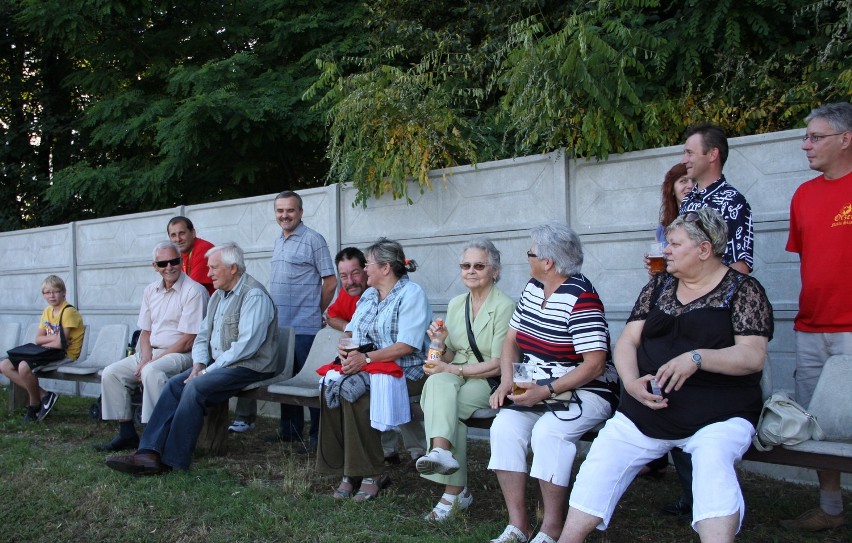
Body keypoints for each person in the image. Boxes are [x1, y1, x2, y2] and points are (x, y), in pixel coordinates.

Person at [558, 208, 774, 543]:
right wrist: (630, 382)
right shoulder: (659, 286)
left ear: (704, 250)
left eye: (673, 243)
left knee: (713, 462)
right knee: (602, 459)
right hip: (646, 410)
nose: (665, 250)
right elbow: (628, 341)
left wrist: (697, 358)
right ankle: (567, 539)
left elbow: (752, 356)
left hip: (718, 414)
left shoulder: (743, 290)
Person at [487, 223, 619, 543]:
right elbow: (511, 339)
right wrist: (506, 380)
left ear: (548, 262)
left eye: (531, 252)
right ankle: (518, 526)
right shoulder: (534, 287)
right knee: (503, 428)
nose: (527, 258)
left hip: (587, 388)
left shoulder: (581, 298)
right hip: (538, 384)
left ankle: (552, 527)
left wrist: (545, 391)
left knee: (549, 433)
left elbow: (595, 364)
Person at [105, 242, 279, 475]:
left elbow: (246, 347)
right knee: (175, 385)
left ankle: (173, 460)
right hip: (221, 364)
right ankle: (148, 452)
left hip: (251, 365)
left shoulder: (254, 295)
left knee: (194, 387)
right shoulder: (219, 295)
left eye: (214, 268)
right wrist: (198, 363)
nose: (208, 274)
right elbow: (202, 336)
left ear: (233, 268)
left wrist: (206, 371)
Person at [780, 102, 852, 532]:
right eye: (805, 137)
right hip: (811, 326)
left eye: (815, 137)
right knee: (817, 425)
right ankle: (830, 509)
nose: (806, 145)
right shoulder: (804, 195)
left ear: (846, 139)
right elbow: (814, 260)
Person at [316, 238, 431, 502]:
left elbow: (406, 345)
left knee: (357, 394)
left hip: (407, 372)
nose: (365, 269)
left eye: (368, 265)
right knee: (333, 387)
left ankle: (372, 472)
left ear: (386, 268)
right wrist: (345, 347)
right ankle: (346, 469)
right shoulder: (368, 295)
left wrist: (365, 359)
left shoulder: (410, 294)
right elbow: (351, 330)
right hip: (371, 368)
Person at [416, 239, 515, 520]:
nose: (471, 271)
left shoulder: (505, 306)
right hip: (456, 371)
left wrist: (451, 370)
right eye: (465, 265)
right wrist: (437, 342)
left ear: (494, 271)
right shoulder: (456, 303)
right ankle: (441, 455)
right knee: (435, 382)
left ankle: (454, 490)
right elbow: (445, 356)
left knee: (449, 410)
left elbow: (497, 364)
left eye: (479, 266)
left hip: (487, 380)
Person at [229, 191, 335, 441]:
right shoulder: (279, 241)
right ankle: (290, 432)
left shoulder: (313, 240)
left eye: (290, 210)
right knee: (286, 379)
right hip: (281, 328)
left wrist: (315, 310)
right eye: (280, 211)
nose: (284, 215)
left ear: (300, 212)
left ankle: (317, 438)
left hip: (306, 328)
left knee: (311, 383)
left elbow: (330, 281)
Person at [95, 241, 208, 452]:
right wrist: (146, 357)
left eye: (174, 261)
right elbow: (145, 331)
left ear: (181, 261)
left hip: (183, 353)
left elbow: (189, 339)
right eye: (162, 263)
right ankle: (126, 432)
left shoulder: (194, 291)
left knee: (151, 371)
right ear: (154, 266)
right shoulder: (150, 291)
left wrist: (152, 361)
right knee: (111, 373)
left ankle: (158, 435)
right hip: (152, 351)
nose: (169, 267)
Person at [0, 275, 84, 422]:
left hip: (65, 354)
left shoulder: (68, 311)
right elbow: (38, 339)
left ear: (64, 292)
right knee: (4, 365)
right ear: (43, 294)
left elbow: (60, 344)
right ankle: (44, 395)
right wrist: (54, 338)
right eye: (47, 292)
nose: (51, 295)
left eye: (55, 291)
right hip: (48, 351)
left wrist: (49, 340)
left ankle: (34, 404)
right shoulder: (47, 311)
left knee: (24, 367)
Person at [679, 123, 753, 274]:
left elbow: (739, 268)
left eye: (690, 153)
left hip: (713, 297)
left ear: (712, 155)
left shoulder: (733, 202)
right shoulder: (688, 200)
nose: (684, 160)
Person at [167, 216, 215, 295]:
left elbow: (192, 288)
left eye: (182, 233)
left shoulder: (204, 248)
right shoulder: (178, 253)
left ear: (193, 233)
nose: (178, 239)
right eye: (173, 235)